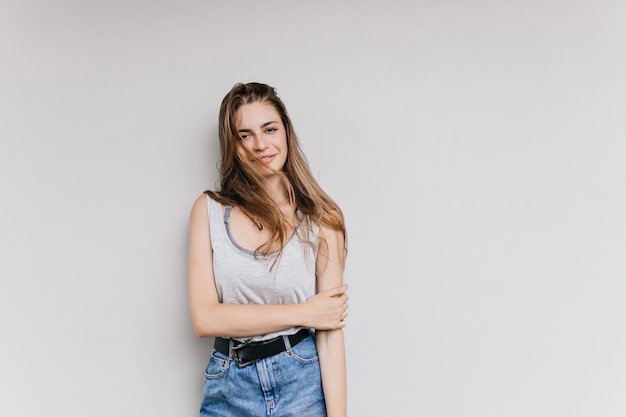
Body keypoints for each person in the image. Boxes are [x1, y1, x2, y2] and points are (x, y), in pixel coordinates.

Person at [188, 82, 348, 417]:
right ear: (232, 144)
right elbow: (205, 318)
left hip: (301, 382)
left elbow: (330, 333)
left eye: (269, 129)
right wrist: (304, 313)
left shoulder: (323, 218)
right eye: (244, 135)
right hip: (230, 386)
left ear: (285, 131)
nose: (261, 144)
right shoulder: (209, 212)